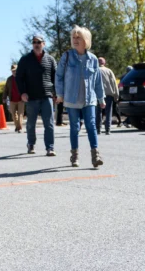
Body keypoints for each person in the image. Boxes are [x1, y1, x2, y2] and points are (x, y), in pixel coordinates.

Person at [56, 26, 105, 168]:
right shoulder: (67, 56)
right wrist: (60, 94)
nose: (75, 40)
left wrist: (101, 99)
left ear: (86, 40)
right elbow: (58, 76)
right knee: (74, 127)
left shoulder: (93, 59)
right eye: (74, 37)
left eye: (79, 37)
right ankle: (75, 156)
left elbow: (97, 81)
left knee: (91, 125)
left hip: (89, 99)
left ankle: (95, 155)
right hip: (71, 99)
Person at [16, 34, 57, 156]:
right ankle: (31, 144)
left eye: (39, 42)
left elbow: (56, 77)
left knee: (49, 123)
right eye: (34, 42)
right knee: (30, 123)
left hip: (47, 96)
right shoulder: (25, 59)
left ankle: (50, 147)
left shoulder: (50, 59)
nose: (36, 44)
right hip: (31, 96)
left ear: (43, 44)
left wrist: (56, 93)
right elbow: (19, 77)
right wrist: (22, 92)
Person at [97, 57, 118, 135]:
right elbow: (114, 84)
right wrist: (116, 95)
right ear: (104, 63)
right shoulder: (109, 71)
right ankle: (107, 129)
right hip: (108, 94)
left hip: (97, 94)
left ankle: (98, 129)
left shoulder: (95, 70)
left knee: (98, 112)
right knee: (108, 112)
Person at [3, 64, 25, 133]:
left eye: (15, 70)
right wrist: (4, 97)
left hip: (21, 99)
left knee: (20, 114)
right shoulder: (9, 79)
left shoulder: (22, 78)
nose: (14, 72)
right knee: (13, 114)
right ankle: (17, 126)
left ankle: (19, 128)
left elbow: (26, 87)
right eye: (13, 71)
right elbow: (6, 89)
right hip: (12, 99)